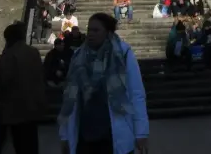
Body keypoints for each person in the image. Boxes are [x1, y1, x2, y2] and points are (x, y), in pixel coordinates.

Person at [58, 13, 149, 154]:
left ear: (108, 33)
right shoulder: (78, 57)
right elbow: (69, 98)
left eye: (96, 30)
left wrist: (141, 132)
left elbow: (136, 93)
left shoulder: (123, 55)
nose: (91, 34)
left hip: (114, 132)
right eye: (89, 30)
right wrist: (65, 134)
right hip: (85, 134)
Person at [0, 22, 46, 154]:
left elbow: (1, 81)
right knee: (31, 144)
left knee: (19, 145)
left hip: (14, 110)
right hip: (33, 107)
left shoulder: (8, 56)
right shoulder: (33, 53)